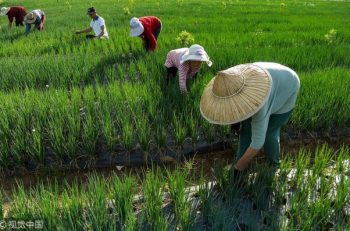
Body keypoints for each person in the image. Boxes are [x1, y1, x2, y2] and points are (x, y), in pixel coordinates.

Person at [200, 62, 300, 177]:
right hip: (270, 78)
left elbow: (258, 142)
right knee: (246, 129)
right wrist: (237, 122)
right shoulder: (231, 81)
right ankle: (241, 159)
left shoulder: (259, 103)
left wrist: (238, 168)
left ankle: (273, 164)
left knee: (269, 132)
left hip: (288, 86)